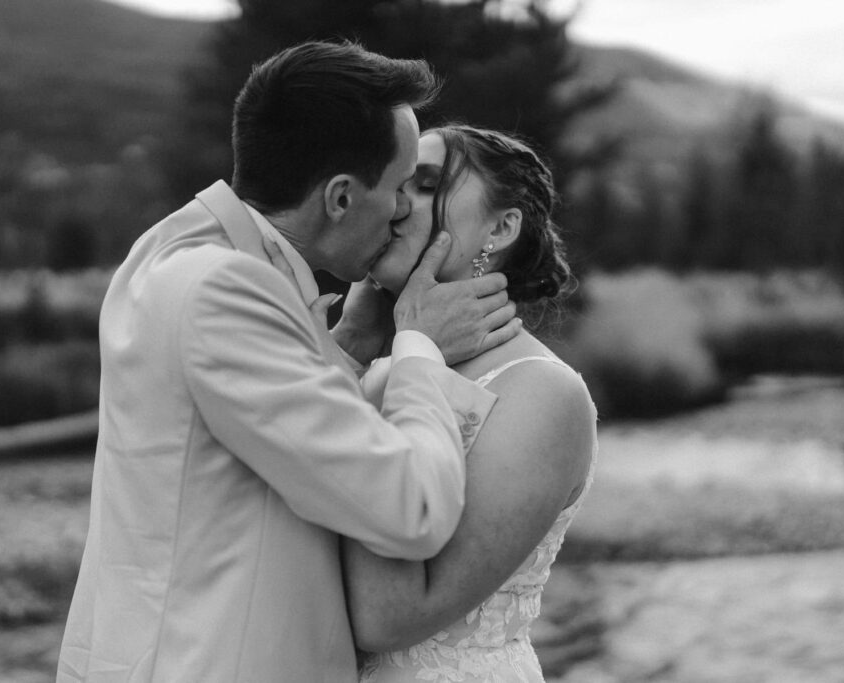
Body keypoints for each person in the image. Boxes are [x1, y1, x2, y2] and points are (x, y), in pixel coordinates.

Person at [55, 43, 522, 683]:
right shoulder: (225, 291)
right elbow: (409, 508)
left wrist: (352, 346)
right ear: (339, 198)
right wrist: (421, 346)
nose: (404, 210)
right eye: (398, 185)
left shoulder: (172, 253)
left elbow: (253, 428)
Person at [344, 125, 598, 683]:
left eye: (429, 184)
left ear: (502, 227)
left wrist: (407, 363)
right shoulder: (356, 360)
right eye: (395, 183)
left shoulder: (541, 393)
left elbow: (391, 619)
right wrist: (351, 353)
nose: (396, 203)